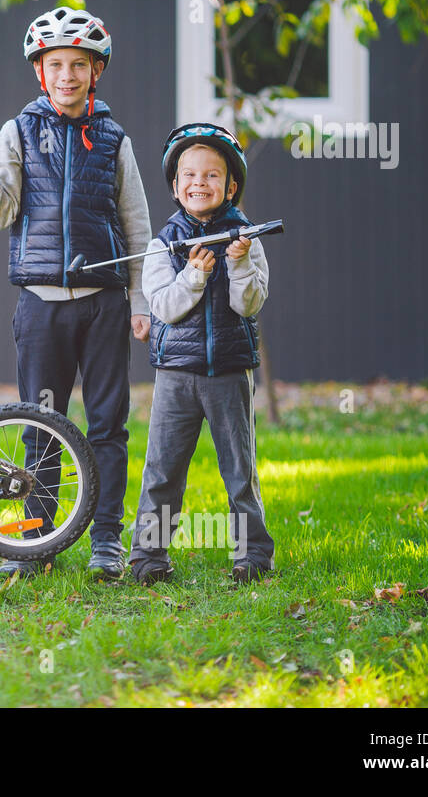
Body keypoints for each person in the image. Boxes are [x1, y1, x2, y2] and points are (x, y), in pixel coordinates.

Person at [0, 6, 152, 579]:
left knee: (107, 424)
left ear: (97, 71)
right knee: (41, 421)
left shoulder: (114, 140)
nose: (67, 75)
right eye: (56, 65)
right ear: (40, 72)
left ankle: (107, 541)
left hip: (105, 303)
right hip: (40, 304)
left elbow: (137, 224)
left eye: (79, 65)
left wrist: (139, 301)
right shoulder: (18, 131)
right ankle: (39, 535)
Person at [127, 123, 276, 585]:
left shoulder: (247, 241)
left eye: (212, 176)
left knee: (240, 470)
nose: (199, 184)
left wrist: (238, 263)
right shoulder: (162, 244)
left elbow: (248, 305)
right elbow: (165, 309)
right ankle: (149, 558)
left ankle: (252, 556)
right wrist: (192, 275)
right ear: (175, 186)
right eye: (189, 175)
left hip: (230, 372)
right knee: (162, 470)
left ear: (231, 186)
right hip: (176, 374)